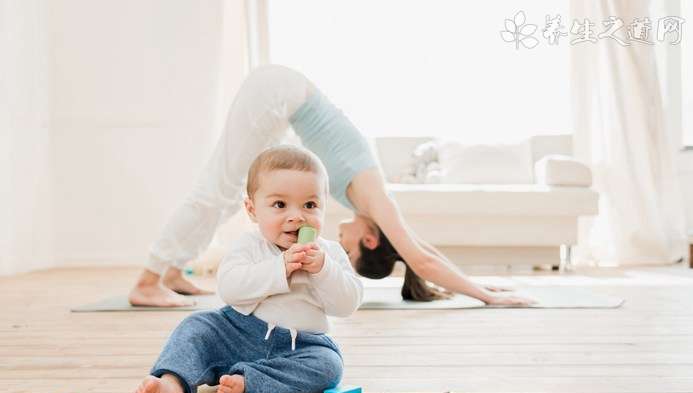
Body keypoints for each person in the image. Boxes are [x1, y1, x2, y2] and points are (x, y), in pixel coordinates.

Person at [128, 64, 533, 308]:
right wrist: (486, 296)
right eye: (353, 248)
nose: (341, 238)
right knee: (220, 187)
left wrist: (478, 282)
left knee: (235, 192)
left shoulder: (370, 204)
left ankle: (172, 271)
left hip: (282, 95)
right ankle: (148, 282)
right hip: (278, 92)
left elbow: (418, 249)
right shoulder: (377, 200)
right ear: (371, 241)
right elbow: (420, 259)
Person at [134, 146, 361, 393]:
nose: (297, 216)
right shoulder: (249, 245)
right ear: (252, 210)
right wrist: (280, 269)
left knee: (328, 366)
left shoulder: (329, 253)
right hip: (239, 331)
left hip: (301, 344)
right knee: (196, 326)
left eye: (310, 205)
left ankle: (248, 381)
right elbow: (230, 288)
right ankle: (172, 383)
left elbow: (347, 304)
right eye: (279, 205)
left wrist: (323, 270)